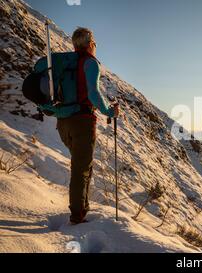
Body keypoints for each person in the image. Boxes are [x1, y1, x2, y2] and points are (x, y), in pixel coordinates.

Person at [57, 27, 119, 224]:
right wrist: (109, 111)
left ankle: (82, 207)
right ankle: (78, 215)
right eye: (94, 43)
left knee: (81, 165)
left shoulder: (66, 64)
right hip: (82, 122)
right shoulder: (89, 63)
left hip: (62, 121)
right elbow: (93, 93)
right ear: (90, 43)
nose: (95, 47)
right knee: (80, 169)